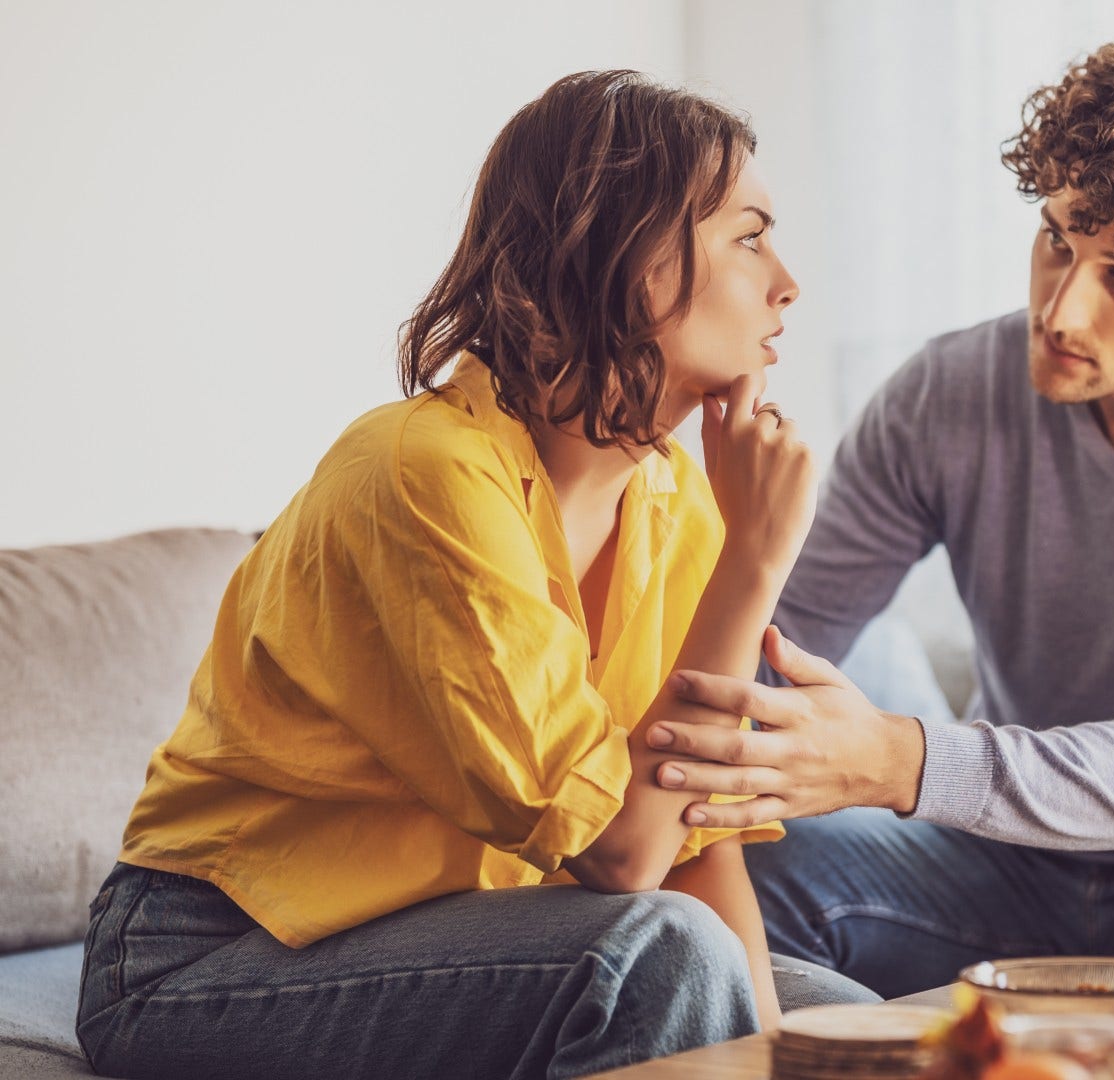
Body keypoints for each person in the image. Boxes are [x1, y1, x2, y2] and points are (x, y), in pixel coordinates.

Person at [76, 70, 873, 1080]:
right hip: (203, 956)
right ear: (626, 256)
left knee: (841, 1026)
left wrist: (773, 1057)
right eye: (749, 238)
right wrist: (754, 568)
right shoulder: (422, 473)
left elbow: (692, 845)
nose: (788, 282)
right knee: (659, 959)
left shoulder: (675, 500)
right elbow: (624, 859)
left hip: (465, 934)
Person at [642, 27, 1114, 1012]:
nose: (1061, 308)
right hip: (1007, 867)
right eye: (1059, 237)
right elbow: (773, 651)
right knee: (735, 873)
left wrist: (901, 760)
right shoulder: (947, 393)